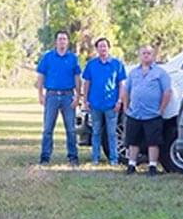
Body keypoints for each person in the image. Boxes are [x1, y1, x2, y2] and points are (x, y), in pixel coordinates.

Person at [124, 45, 172, 176]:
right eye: (143, 53)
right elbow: (126, 90)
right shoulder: (133, 72)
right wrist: (125, 107)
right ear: (140, 55)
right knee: (133, 141)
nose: (146, 55)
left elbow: (167, 92)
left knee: (153, 142)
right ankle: (131, 165)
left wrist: (161, 109)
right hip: (135, 113)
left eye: (149, 53)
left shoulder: (160, 73)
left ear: (153, 56)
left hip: (152, 114)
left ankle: (152, 166)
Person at [36, 30, 82, 166]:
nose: (62, 41)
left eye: (64, 39)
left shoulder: (73, 58)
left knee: (71, 129)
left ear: (68, 42)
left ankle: (73, 157)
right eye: (60, 39)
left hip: (68, 95)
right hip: (51, 95)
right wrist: (40, 94)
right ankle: (45, 157)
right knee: (48, 128)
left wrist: (77, 96)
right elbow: (41, 76)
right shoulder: (48, 57)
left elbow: (77, 77)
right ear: (56, 41)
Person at [81, 37, 127, 166]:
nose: (103, 48)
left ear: (108, 48)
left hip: (111, 104)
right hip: (95, 104)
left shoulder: (117, 64)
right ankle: (95, 158)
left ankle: (114, 159)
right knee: (95, 132)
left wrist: (119, 101)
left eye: (105, 46)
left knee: (112, 133)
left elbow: (122, 84)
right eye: (100, 46)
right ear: (97, 49)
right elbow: (87, 83)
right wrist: (85, 100)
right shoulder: (91, 64)